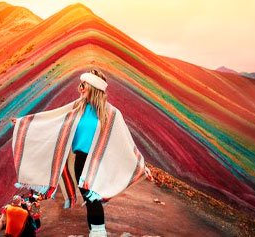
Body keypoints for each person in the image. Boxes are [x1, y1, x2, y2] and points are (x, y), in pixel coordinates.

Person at [11, 69, 151, 237]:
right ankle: (95, 230)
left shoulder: (111, 114)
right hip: (80, 160)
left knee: (93, 196)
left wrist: (141, 164)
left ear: (92, 87)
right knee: (88, 196)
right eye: (80, 85)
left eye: (83, 85)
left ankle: (99, 231)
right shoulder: (78, 107)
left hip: (98, 162)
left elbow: (124, 142)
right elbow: (53, 120)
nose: (80, 88)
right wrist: (23, 124)